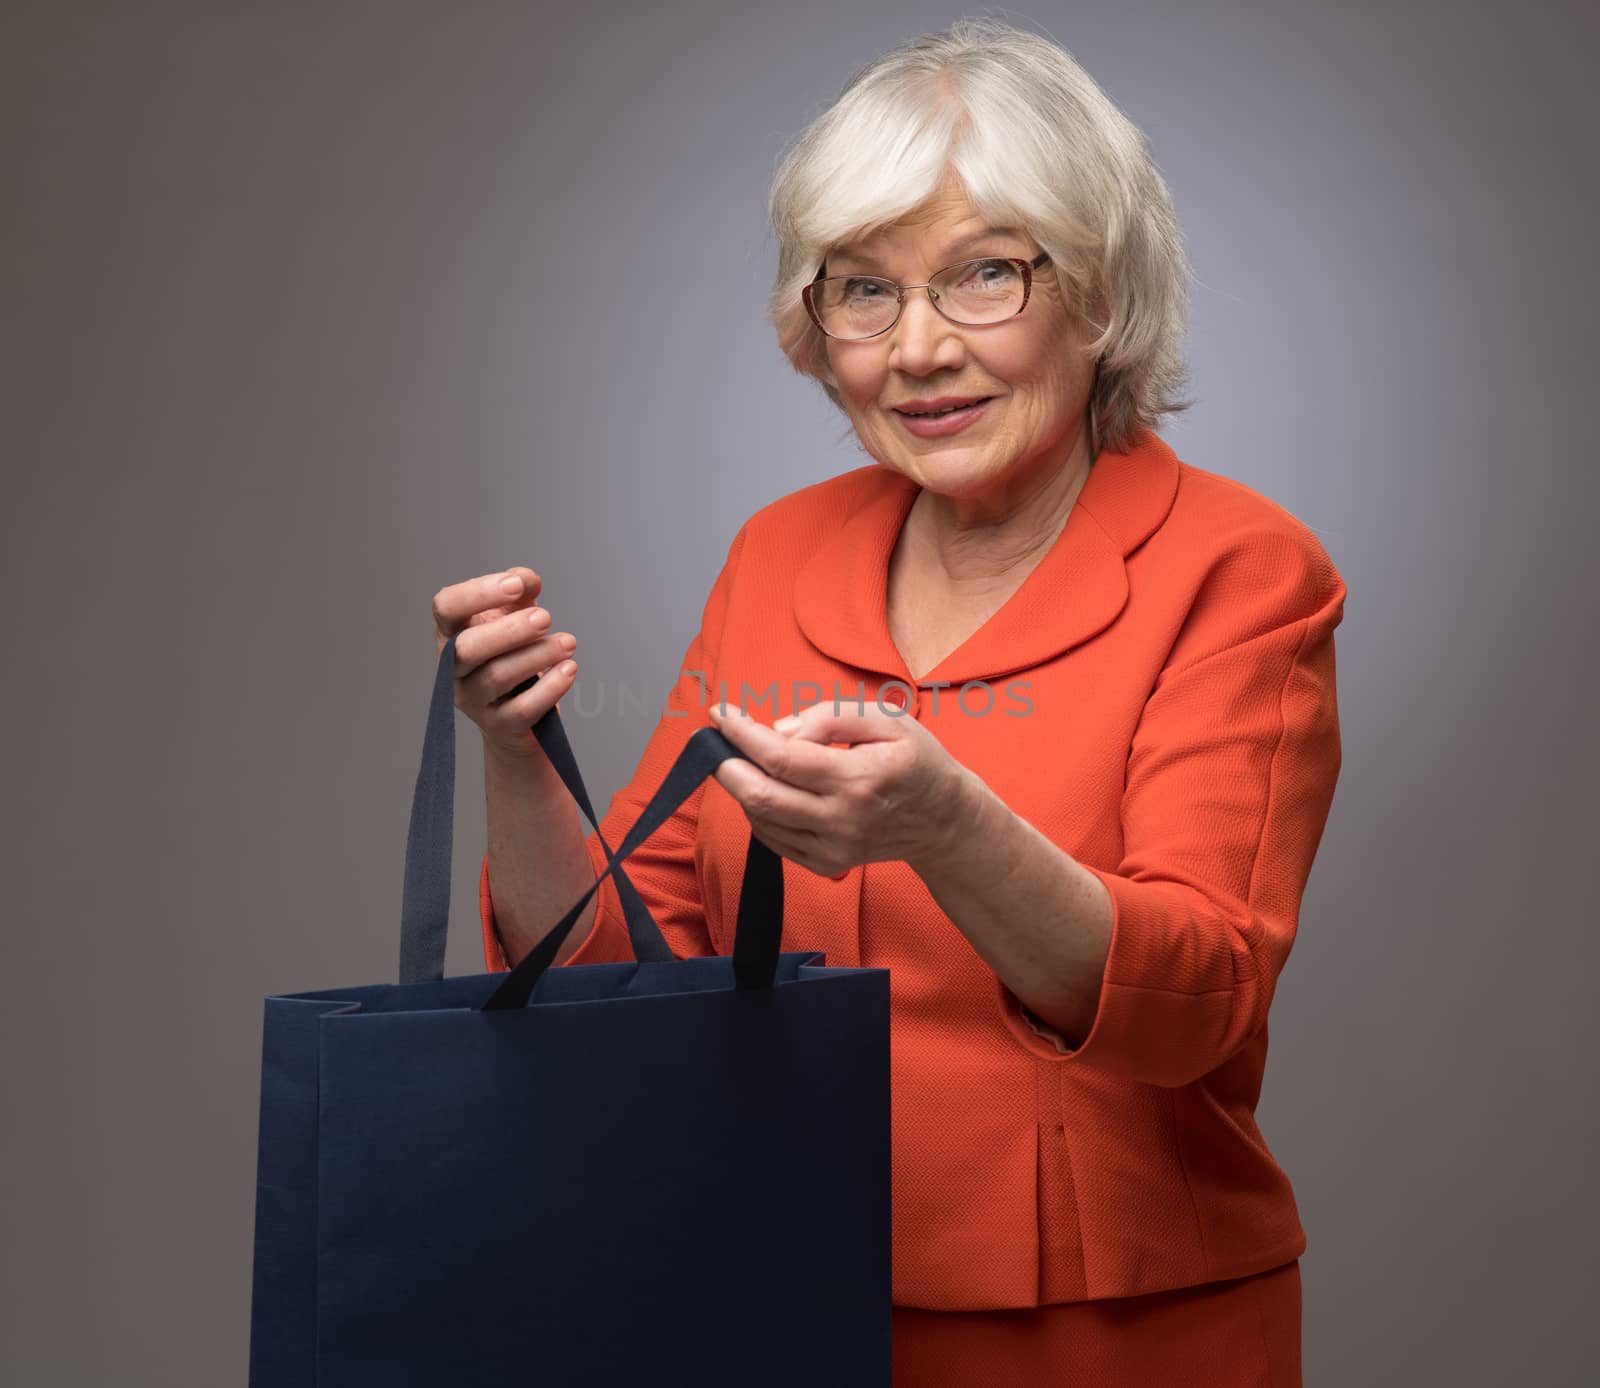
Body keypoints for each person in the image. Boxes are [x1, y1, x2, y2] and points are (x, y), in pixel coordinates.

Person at [433, 17, 1341, 1386]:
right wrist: (517, 752)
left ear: (1099, 292)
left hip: (1115, 1336)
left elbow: (1196, 999)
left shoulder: (1242, 569)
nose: (916, 348)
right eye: (861, 290)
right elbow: (630, 976)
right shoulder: (779, 553)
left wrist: (948, 825)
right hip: (771, 1293)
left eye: (983, 276)